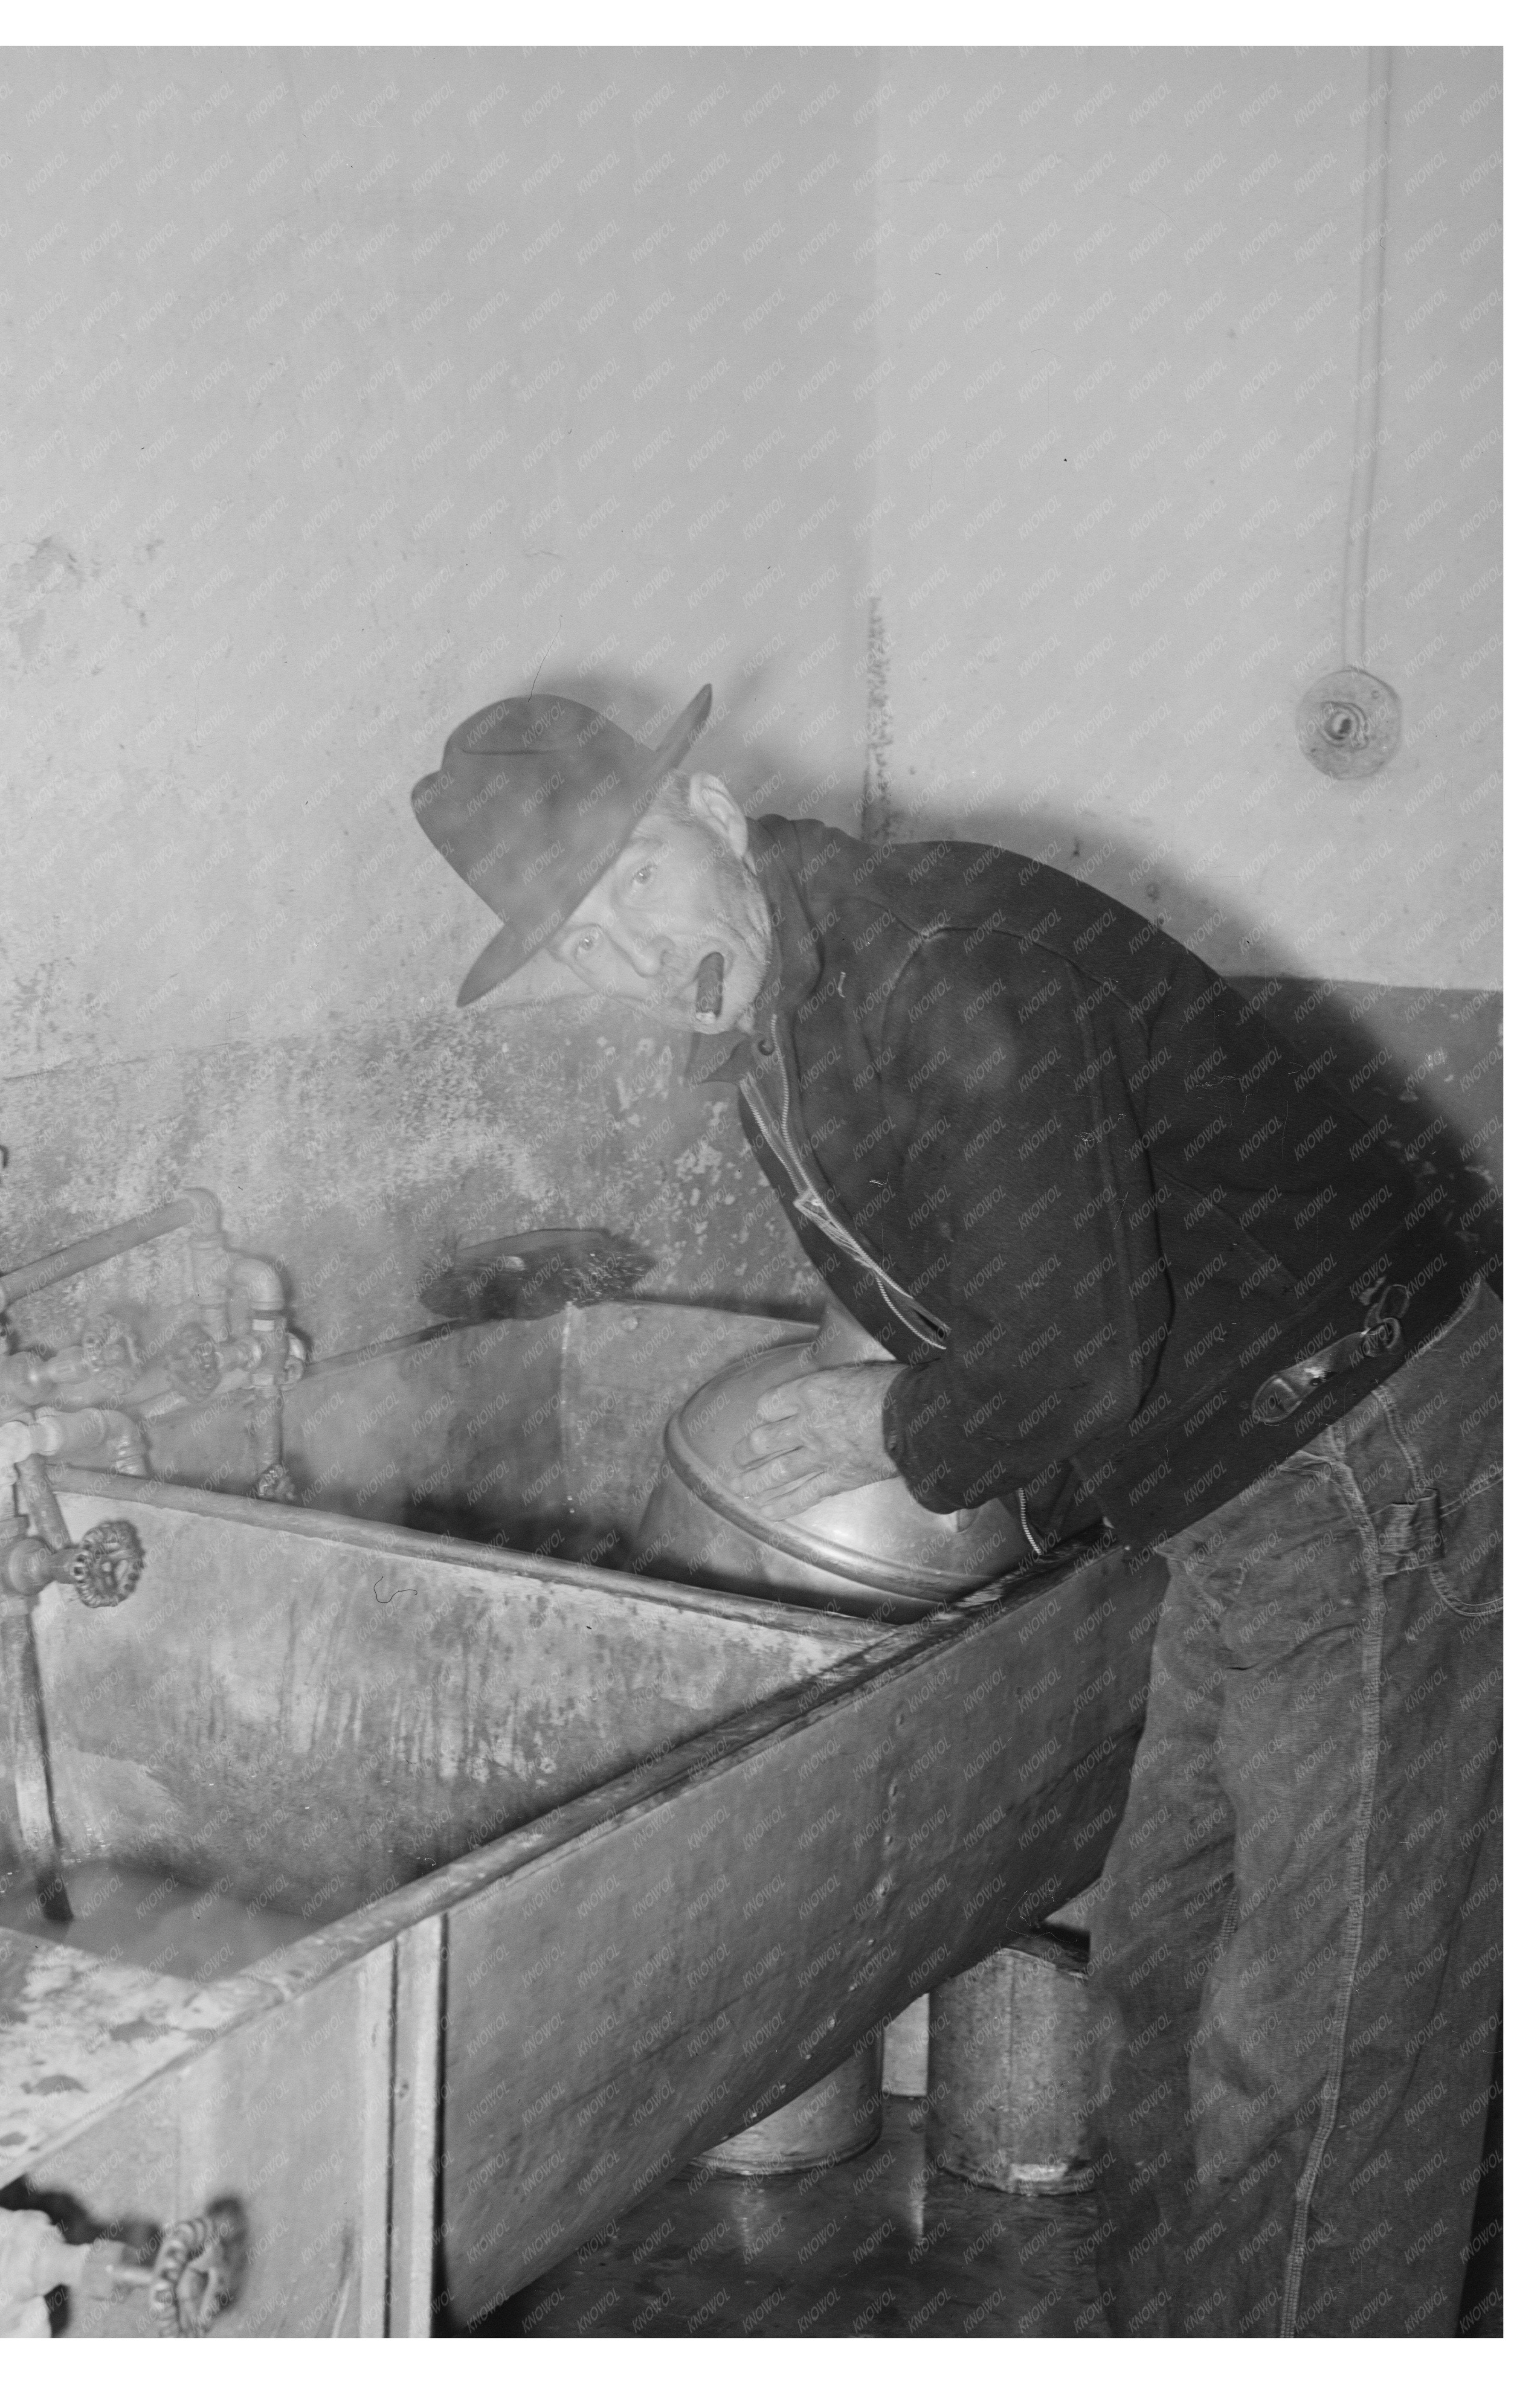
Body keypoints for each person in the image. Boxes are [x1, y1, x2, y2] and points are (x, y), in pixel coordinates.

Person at [410, 684, 1501, 2338]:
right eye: (574, 938)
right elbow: (904, 1273)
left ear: (705, 810)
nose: (624, 953)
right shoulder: (775, 998)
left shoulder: (934, 964)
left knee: (1331, 2016)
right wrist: (847, 1393)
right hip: (1226, 1481)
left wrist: (872, 1421)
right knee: (1161, 1959)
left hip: (1360, 1448)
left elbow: (1066, 1364)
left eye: (630, 877)